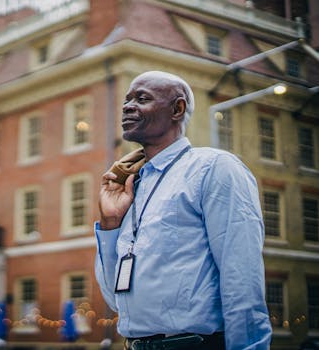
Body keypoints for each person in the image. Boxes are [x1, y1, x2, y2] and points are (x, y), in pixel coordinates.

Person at [94, 71, 272, 350]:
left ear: (177, 109)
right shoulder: (132, 186)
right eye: (127, 100)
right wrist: (110, 224)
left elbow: (241, 279)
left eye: (142, 99)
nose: (128, 106)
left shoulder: (213, 168)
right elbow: (116, 299)